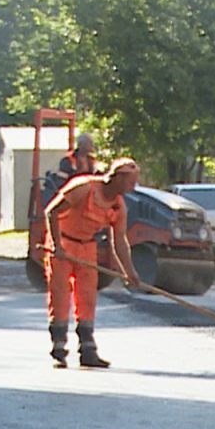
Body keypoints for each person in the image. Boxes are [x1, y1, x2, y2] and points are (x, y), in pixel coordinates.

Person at [43, 158, 142, 369]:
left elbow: (120, 241)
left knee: (87, 298)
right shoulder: (83, 188)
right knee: (60, 296)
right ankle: (59, 349)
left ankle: (87, 350)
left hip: (87, 247)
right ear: (118, 178)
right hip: (62, 242)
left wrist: (130, 272)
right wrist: (58, 246)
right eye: (131, 181)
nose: (133, 187)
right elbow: (51, 212)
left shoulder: (118, 206)